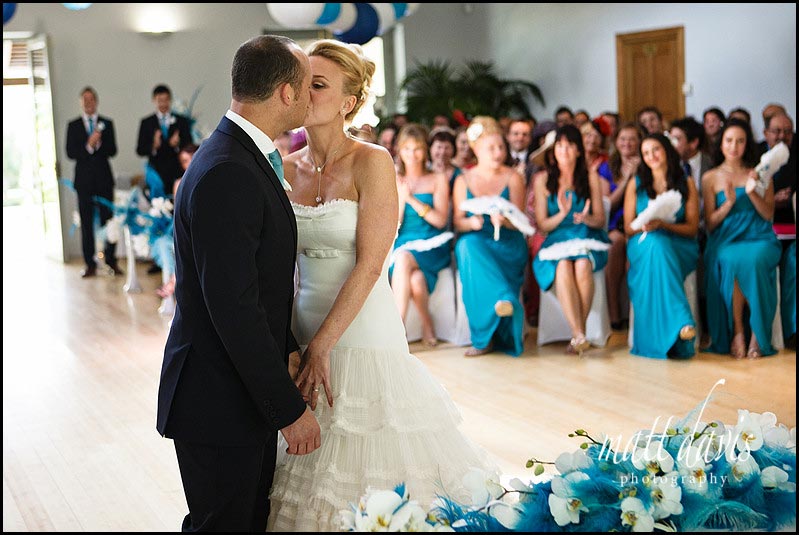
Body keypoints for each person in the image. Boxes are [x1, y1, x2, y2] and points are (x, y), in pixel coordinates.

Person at [268, 39, 495, 531]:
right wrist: (290, 344)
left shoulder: (372, 161)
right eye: (302, 81)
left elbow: (372, 263)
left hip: (362, 326)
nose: (305, 91)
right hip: (301, 322)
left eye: (319, 84)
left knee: (372, 446)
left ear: (349, 102)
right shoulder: (284, 168)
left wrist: (323, 345)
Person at [156, 35, 321, 532]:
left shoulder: (238, 154)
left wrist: (288, 346)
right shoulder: (229, 169)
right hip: (217, 400)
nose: (312, 98)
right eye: (306, 87)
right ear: (286, 95)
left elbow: (257, 279)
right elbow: (234, 308)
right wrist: (288, 410)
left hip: (233, 394)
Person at [702, 118, 781, 358]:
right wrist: (728, 204)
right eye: (729, 140)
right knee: (731, 259)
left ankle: (758, 333)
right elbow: (710, 223)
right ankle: (737, 331)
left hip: (759, 235)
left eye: (740, 141)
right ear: (721, 143)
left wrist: (752, 192)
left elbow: (768, 215)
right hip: (725, 239)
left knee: (755, 259)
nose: (734, 146)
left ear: (747, 144)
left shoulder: (760, 172)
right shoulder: (710, 178)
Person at [453, 116, 530, 357]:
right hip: (477, 240)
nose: (498, 153)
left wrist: (506, 221)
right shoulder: (462, 179)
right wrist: (471, 222)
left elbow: (522, 222)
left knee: (471, 249)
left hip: (507, 243)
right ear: (476, 150)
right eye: (491, 148)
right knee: (466, 246)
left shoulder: (514, 177)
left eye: (501, 147)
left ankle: (503, 307)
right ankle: (486, 331)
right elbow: (457, 221)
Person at [532, 124, 609, 354]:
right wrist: (563, 215)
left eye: (569, 145)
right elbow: (542, 225)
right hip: (556, 240)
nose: (564, 150)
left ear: (578, 150)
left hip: (586, 236)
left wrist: (585, 218)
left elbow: (600, 219)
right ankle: (579, 333)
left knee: (583, 264)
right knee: (563, 265)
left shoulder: (590, 177)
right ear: (553, 151)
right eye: (559, 146)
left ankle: (578, 334)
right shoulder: (542, 180)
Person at [624, 133, 700, 359]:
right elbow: (628, 228)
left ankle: (677, 325)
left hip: (679, 244)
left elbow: (692, 227)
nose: (651, 156)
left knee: (660, 245)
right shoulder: (635, 184)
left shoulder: (686, 182)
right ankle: (681, 321)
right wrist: (649, 225)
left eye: (655, 149)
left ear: (666, 150)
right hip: (643, 242)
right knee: (656, 245)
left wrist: (664, 226)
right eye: (646, 153)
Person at [390, 124, 452, 347]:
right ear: (399, 151)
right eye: (407, 149)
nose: (412, 155)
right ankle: (428, 326)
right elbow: (393, 224)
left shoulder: (438, 179)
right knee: (415, 280)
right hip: (403, 240)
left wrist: (412, 199)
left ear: (425, 150)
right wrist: (400, 197)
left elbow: (440, 220)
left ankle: (397, 331)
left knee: (404, 258)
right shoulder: (394, 179)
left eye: (417, 149)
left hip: (433, 243)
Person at [65, 86, 123, 278]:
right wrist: (88, 146)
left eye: (91, 100)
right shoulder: (73, 126)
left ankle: (111, 260)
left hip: (104, 181)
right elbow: (70, 153)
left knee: (109, 221)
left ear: (96, 101)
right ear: (81, 103)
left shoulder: (107, 123)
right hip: (84, 183)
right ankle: (89, 263)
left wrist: (99, 144)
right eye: (85, 100)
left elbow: (113, 150)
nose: (89, 103)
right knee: (87, 224)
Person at [136, 84, 192, 197]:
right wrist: (154, 146)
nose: (163, 104)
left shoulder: (181, 121)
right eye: (159, 100)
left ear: (170, 100)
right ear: (154, 100)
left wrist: (178, 144)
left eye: (166, 100)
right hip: (157, 172)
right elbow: (140, 150)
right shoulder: (147, 122)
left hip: (177, 171)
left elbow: (189, 146)